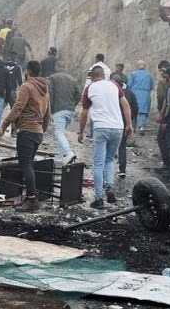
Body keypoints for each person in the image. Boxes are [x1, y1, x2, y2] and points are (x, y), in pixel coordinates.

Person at [0, 60, 51, 212]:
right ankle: (30, 198)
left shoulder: (26, 86)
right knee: (29, 165)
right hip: (37, 132)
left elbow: (18, 107)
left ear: (27, 72)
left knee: (26, 165)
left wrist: (4, 125)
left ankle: (32, 200)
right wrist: (41, 129)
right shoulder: (45, 90)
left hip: (27, 131)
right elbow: (47, 114)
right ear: (39, 72)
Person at [78, 65, 133, 209]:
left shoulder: (90, 89)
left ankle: (98, 198)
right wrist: (129, 124)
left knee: (98, 163)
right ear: (103, 75)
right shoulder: (114, 85)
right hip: (117, 128)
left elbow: (84, 114)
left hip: (101, 128)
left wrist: (81, 131)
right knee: (109, 159)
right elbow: (126, 105)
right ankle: (109, 188)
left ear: (91, 77)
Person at [47, 60, 81, 165]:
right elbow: (78, 95)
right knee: (61, 132)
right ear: (64, 67)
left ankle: (69, 153)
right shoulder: (73, 80)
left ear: (57, 67)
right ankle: (60, 157)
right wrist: (72, 105)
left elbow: (50, 95)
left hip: (59, 110)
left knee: (59, 133)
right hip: (69, 111)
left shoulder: (52, 78)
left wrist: (50, 111)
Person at [127, 60, 155, 135]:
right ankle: (141, 127)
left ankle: (133, 127)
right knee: (143, 111)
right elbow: (152, 86)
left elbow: (129, 85)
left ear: (137, 66)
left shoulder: (133, 74)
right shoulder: (149, 75)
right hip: (145, 94)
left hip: (134, 93)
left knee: (133, 110)